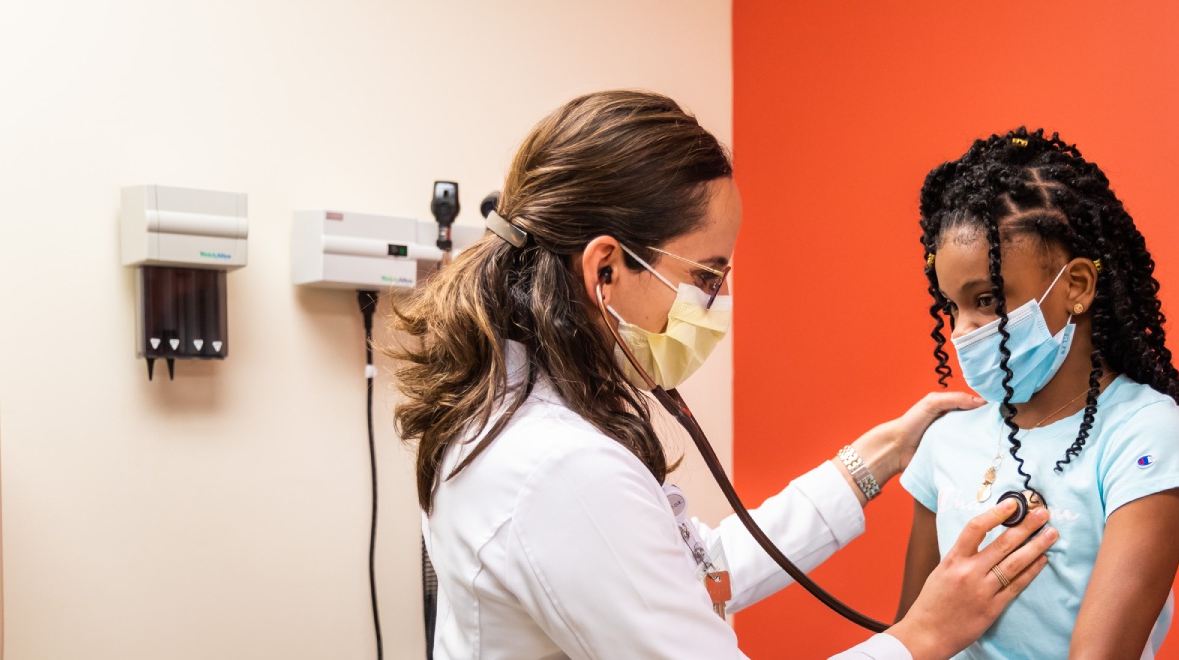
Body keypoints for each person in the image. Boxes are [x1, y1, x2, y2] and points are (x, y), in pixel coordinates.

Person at [389, 91, 1059, 659]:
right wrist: (922, 635)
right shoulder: (556, 468)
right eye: (707, 274)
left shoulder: (520, 410)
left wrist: (879, 458)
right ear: (604, 270)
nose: (718, 301)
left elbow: (697, 570)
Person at [896, 129, 1179, 659]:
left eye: (986, 299)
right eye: (951, 307)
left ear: (1076, 287)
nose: (961, 332)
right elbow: (910, 641)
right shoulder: (945, 442)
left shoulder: (1143, 432)